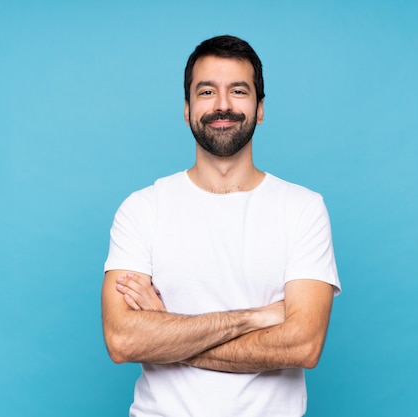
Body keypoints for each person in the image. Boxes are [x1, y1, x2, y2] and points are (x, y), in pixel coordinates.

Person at [101, 35, 341, 417]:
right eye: (207, 91)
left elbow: (303, 346)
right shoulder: (142, 209)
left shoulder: (302, 209)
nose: (223, 105)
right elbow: (123, 340)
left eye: (239, 91)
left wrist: (166, 331)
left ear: (260, 109)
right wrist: (254, 318)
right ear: (187, 109)